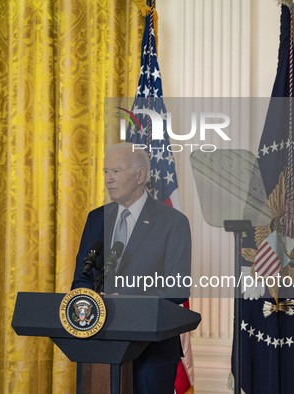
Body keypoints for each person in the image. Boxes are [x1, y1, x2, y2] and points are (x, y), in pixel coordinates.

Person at [71, 142, 192, 393]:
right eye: (105, 171)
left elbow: (177, 288)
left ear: (140, 175)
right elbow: (82, 278)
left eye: (116, 171)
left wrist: (124, 299)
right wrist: (89, 302)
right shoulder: (97, 218)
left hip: (152, 352)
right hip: (100, 345)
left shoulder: (173, 222)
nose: (108, 179)